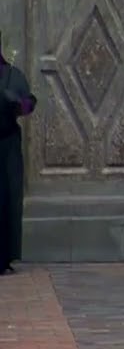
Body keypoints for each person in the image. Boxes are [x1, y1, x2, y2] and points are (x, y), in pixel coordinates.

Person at [0, 33, 36, 275]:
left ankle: (4, 256)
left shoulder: (13, 75)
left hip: (7, 144)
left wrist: (17, 104)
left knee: (9, 199)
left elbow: (30, 102)